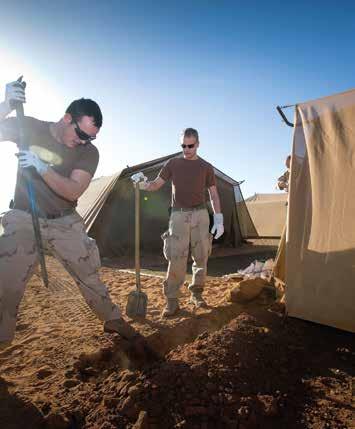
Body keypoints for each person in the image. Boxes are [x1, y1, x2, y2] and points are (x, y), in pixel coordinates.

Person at [0, 80, 138, 349]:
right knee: (7, 280)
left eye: (91, 137)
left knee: (89, 275)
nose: (84, 141)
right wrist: (5, 105)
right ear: (67, 118)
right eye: (81, 133)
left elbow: (73, 191)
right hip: (24, 216)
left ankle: (112, 319)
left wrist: (42, 168)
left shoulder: (89, 152)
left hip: (64, 219)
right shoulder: (30, 127)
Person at [133, 128, 224, 317]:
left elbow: (213, 194)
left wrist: (219, 217)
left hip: (200, 214)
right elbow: (156, 184)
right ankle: (172, 300)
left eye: (191, 145)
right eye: (183, 145)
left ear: (198, 144)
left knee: (201, 256)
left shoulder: (206, 167)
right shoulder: (172, 164)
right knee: (177, 257)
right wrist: (143, 184)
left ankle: (196, 294)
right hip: (178, 215)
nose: (187, 149)